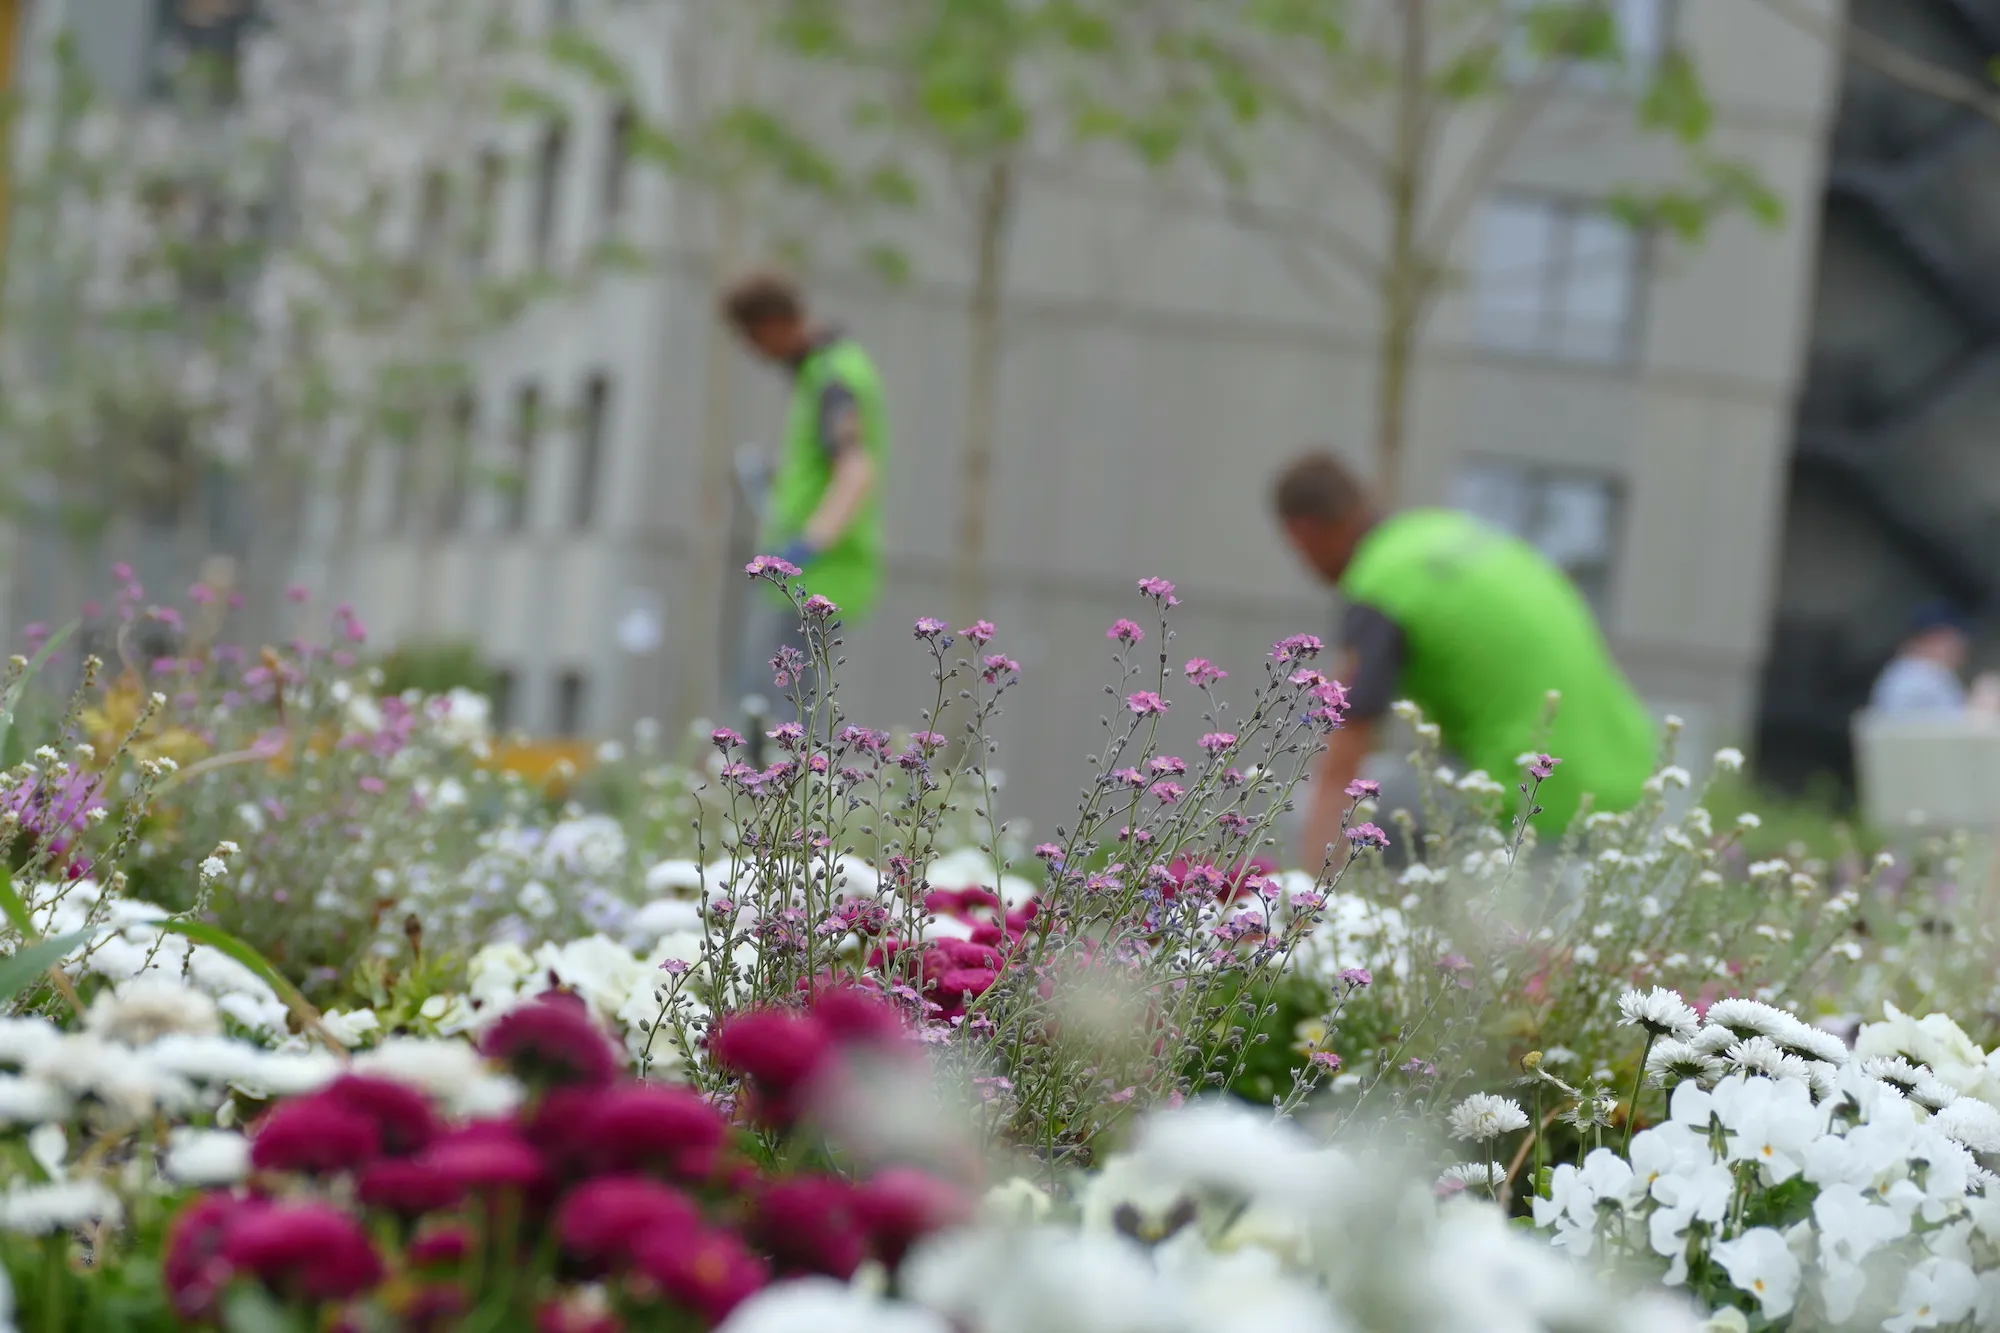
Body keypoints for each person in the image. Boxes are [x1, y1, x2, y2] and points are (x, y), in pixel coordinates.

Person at [1272, 451, 1656, 866]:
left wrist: (1306, 900)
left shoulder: (1383, 582)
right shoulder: (1440, 533)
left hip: (1532, 796)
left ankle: (1373, 926)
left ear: (1307, 532)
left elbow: (1344, 751)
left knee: (1316, 810)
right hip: (1631, 780)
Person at [719, 271, 889, 712]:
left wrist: (808, 545)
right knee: (768, 702)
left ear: (773, 323)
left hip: (817, 576)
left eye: (752, 337)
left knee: (782, 713)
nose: (755, 351)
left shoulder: (834, 377)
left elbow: (855, 470)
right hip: (801, 573)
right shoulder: (818, 371)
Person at [1869, 601, 1978, 717]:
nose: (1961, 647)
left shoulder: (1933, 672)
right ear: (1929, 639)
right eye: (1953, 639)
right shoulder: (1912, 678)